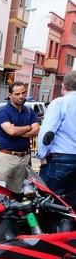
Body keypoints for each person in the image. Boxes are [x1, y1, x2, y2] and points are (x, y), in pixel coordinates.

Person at [37, 70, 76, 208]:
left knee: (51, 203)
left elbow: (47, 132)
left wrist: (42, 155)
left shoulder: (59, 103)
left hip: (60, 161)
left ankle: (54, 230)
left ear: (64, 86)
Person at [0, 81, 39, 193]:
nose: (21, 96)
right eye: (17, 94)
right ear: (10, 95)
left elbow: (36, 130)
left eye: (23, 93)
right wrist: (28, 127)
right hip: (7, 156)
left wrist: (18, 130)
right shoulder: (2, 111)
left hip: (24, 157)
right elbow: (11, 131)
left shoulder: (29, 111)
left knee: (19, 193)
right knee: (0, 192)